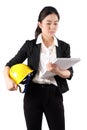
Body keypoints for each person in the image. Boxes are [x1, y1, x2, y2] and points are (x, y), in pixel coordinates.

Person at [3, 6, 73, 130]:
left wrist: (57, 70)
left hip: (54, 95)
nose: (52, 27)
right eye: (48, 23)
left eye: (56, 23)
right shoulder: (30, 45)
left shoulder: (64, 46)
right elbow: (8, 65)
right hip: (33, 94)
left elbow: (69, 73)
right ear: (40, 24)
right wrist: (8, 81)